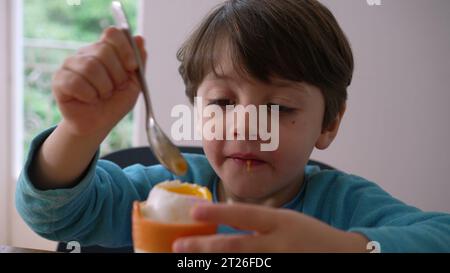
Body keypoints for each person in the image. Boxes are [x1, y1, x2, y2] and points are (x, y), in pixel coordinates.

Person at [16, 0, 450, 252]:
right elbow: (53, 213)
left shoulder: (344, 207)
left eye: (278, 107)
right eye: (222, 102)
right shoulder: (165, 190)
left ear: (329, 123)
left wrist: (348, 249)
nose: (245, 127)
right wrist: (79, 132)